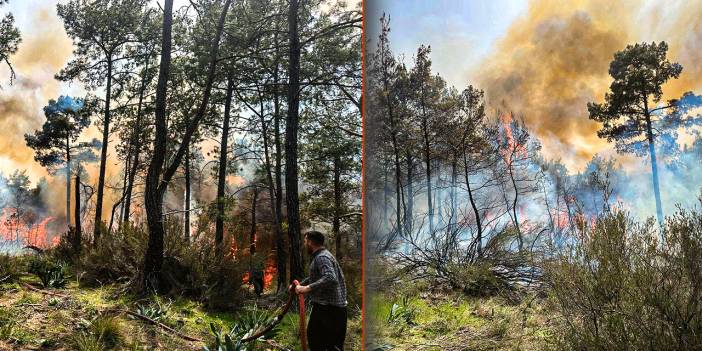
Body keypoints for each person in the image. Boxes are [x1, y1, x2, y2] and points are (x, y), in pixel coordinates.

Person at [294, 230, 348, 351]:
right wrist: (299, 285)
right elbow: (318, 276)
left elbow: (330, 278)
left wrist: (306, 288)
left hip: (329, 311)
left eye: (305, 241)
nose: (304, 244)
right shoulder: (323, 255)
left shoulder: (321, 257)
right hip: (330, 310)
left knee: (322, 344)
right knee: (324, 344)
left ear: (310, 242)